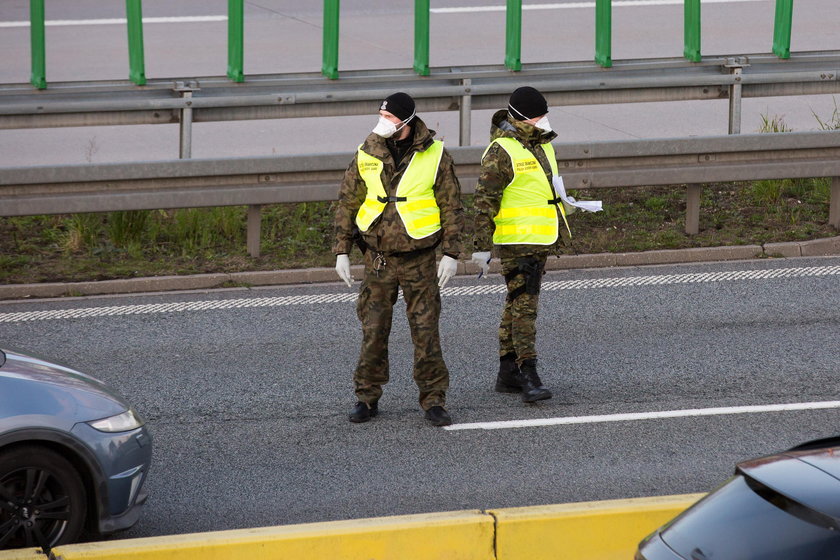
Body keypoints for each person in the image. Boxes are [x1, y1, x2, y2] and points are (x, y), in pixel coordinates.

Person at [333, 92, 463, 427]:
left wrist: (450, 253)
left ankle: (433, 400)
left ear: (405, 122)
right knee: (373, 330)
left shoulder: (435, 155)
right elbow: (348, 201)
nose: (383, 122)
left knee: (425, 331)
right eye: (381, 115)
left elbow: (451, 206)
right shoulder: (368, 150)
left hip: (419, 258)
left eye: (389, 117)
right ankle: (366, 397)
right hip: (378, 258)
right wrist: (341, 250)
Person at [471, 86, 571, 404]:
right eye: (540, 115)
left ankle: (507, 372)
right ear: (525, 117)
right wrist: (481, 246)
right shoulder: (501, 151)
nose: (545, 120)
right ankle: (528, 373)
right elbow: (485, 200)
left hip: (539, 238)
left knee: (516, 304)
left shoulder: (541, 144)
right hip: (517, 241)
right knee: (526, 308)